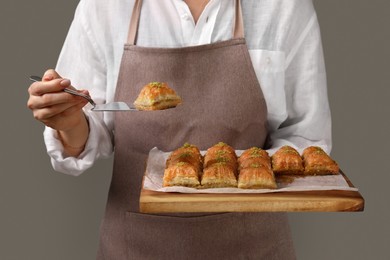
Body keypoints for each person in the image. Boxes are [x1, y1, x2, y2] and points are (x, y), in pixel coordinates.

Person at [27, 0, 331, 259]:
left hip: (252, 247)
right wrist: (68, 123)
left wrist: (248, 175)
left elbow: (306, 139)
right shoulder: (105, 7)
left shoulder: (283, 8)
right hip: (134, 247)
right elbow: (90, 131)